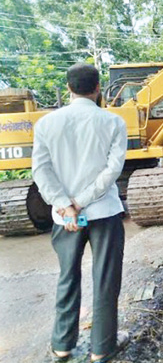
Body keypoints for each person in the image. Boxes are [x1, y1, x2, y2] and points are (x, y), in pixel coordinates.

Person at [32, 63, 129, 363]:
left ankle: (62, 345)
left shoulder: (46, 125)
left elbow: (41, 170)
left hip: (65, 219)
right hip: (105, 214)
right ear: (98, 88)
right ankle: (101, 348)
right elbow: (113, 171)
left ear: (69, 89)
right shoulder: (113, 123)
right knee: (105, 279)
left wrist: (65, 205)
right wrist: (82, 201)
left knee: (67, 277)